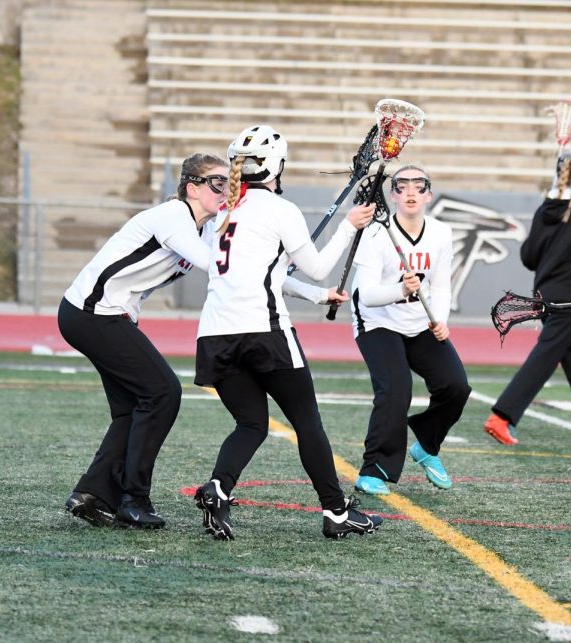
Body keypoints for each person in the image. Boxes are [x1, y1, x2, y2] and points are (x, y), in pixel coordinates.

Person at [192, 124, 383, 540]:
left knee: (251, 424)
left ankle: (218, 488)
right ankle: (336, 513)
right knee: (307, 422)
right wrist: (349, 225)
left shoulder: (222, 210)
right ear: (277, 164)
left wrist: (316, 297)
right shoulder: (280, 210)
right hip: (263, 331)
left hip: (214, 334)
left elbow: (268, 273)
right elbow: (316, 265)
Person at [60, 152, 229, 529]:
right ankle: (134, 500)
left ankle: (92, 493)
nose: (225, 190)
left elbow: (234, 267)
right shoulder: (173, 218)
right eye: (217, 182)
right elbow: (217, 267)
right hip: (93, 313)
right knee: (163, 392)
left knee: (132, 408)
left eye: (228, 182)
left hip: (103, 315)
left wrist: (312, 292)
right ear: (192, 188)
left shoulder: (202, 229)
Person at [484, 151, 571, 447]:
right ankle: (502, 416)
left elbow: (529, 257)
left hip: (545, 296)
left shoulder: (544, 210)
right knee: (545, 357)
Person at [350, 165, 472, 496]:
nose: (410, 193)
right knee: (396, 389)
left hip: (420, 322)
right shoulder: (377, 234)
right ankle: (373, 470)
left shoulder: (441, 234)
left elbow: (442, 286)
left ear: (429, 195)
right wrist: (401, 290)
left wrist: (440, 319)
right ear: (392, 196)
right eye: (402, 187)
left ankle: (426, 445)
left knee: (456, 386)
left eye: (418, 187)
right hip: (377, 322)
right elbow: (367, 295)